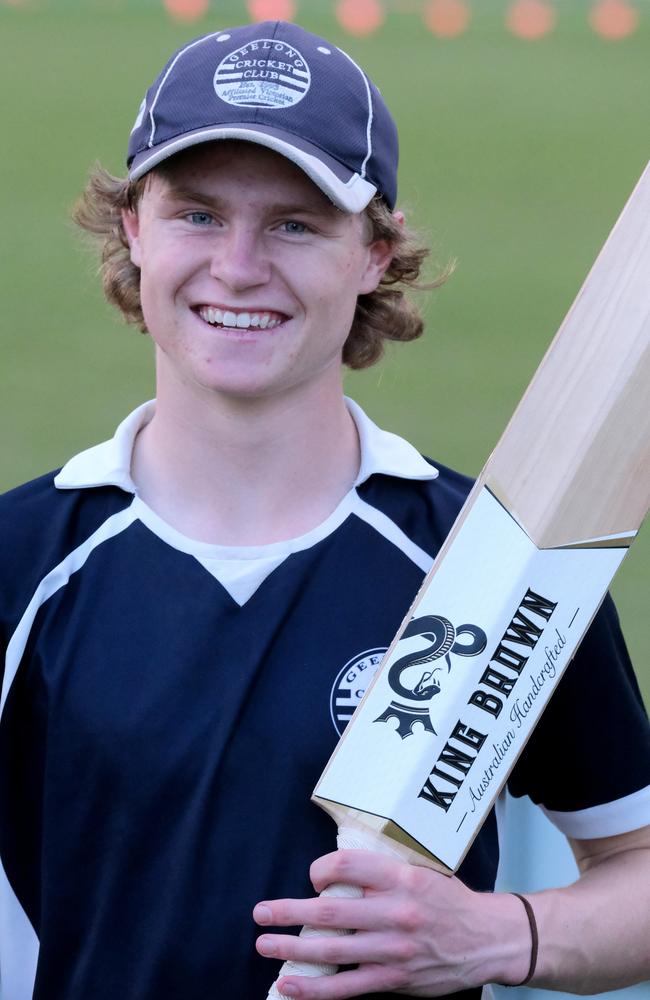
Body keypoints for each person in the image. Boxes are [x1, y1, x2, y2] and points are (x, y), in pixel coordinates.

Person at [1, 19, 648, 1000]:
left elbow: (633, 862)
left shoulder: (487, 563)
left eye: (296, 223)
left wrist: (501, 932)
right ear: (135, 228)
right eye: (197, 214)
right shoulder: (23, 566)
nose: (239, 265)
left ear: (375, 253)